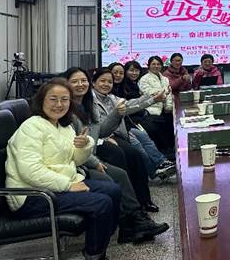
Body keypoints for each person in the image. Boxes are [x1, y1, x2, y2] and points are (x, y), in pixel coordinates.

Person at [5, 78, 120, 260]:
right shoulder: (31, 127)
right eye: (53, 99)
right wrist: (67, 185)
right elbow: (30, 171)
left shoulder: (63, 126)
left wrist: (84, 145)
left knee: (113, 190)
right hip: (31, 195)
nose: (59, 104)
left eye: (64, 99)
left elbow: (76, 159)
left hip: (54, 186)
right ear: (41, 101)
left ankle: (96, 248)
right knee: (101, 203)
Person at [65, 68, 169, 244]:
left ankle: (133, 223)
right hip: (77, 163)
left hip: (88, 155)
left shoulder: (88, 106)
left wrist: (116, 113)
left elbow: (101, 131)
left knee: (122, 170)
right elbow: (73, 146)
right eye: (75, 81)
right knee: (116, 167)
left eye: (83, 81)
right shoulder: (67, 110)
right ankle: (133, 223)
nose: (80, 84)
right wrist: (95, 162)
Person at [91, 68, 176, 181]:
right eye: (102, 81)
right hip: (108, 135)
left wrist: (153, 99)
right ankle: (154, 172)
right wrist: (105, 137)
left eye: (110, 82)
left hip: (121, 129)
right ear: (93, 82)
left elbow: (132, 104)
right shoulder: (91, 100)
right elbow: (96, 128)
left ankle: (161, 163)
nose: (106, 84)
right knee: (137, 149)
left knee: (144, 136)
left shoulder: (110, 97)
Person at [139, 55, 176, 155]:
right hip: (152, 110)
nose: (156, 66)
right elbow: (148, 93)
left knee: (171, 127)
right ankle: (164, 152)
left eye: (158, 64)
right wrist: (164, 92)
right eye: (153, 64)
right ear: (149, 66)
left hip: (166, 109)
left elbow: (169, 94)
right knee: (159, 130)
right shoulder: (144, 79)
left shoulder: (165, 79)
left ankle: (171, 150)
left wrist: (169, 107)